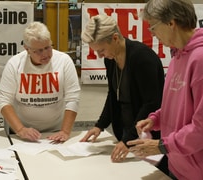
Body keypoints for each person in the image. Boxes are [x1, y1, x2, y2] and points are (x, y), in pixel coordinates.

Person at [127, 0, 203, 179]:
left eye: (152, 27)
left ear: (171, 23)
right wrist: (156, 119)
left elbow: (201, 127)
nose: (152, 34)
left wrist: (163, 145)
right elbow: (179, 106)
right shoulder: (178, 55)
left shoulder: (199, 59)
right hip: (177, 164)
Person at [79, 14, 165, 164]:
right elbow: (113, 94)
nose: (100, 55)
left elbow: (152, 103)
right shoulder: (110, 59)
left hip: (148, 136)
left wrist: (128, 139)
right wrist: (100, 125)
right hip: (126, 133)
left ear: (115, 38)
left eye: (101, 50)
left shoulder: (142, 58)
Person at [0, 22, 80, 142]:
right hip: (21, 131)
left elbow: (73, 98)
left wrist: (65, 131)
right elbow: (4, 100)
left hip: (56, 130)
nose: (45, 54)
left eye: (48, 47)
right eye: (39, 51)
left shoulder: (64, 61)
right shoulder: (15, 64)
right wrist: (20, 129)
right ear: (27, 49)